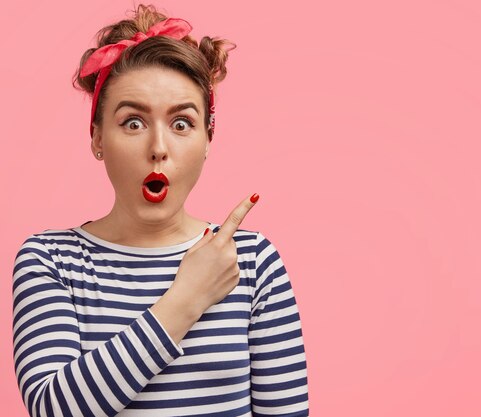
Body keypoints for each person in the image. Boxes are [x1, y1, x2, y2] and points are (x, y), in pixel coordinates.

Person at [11, 4, 309, 417]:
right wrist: (187, 297)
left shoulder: (252, 262)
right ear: (97, 137)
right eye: (133, 122)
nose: (158, 147)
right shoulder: (50, 260)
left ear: (208, 138)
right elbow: (53, 409)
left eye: (182, 123)